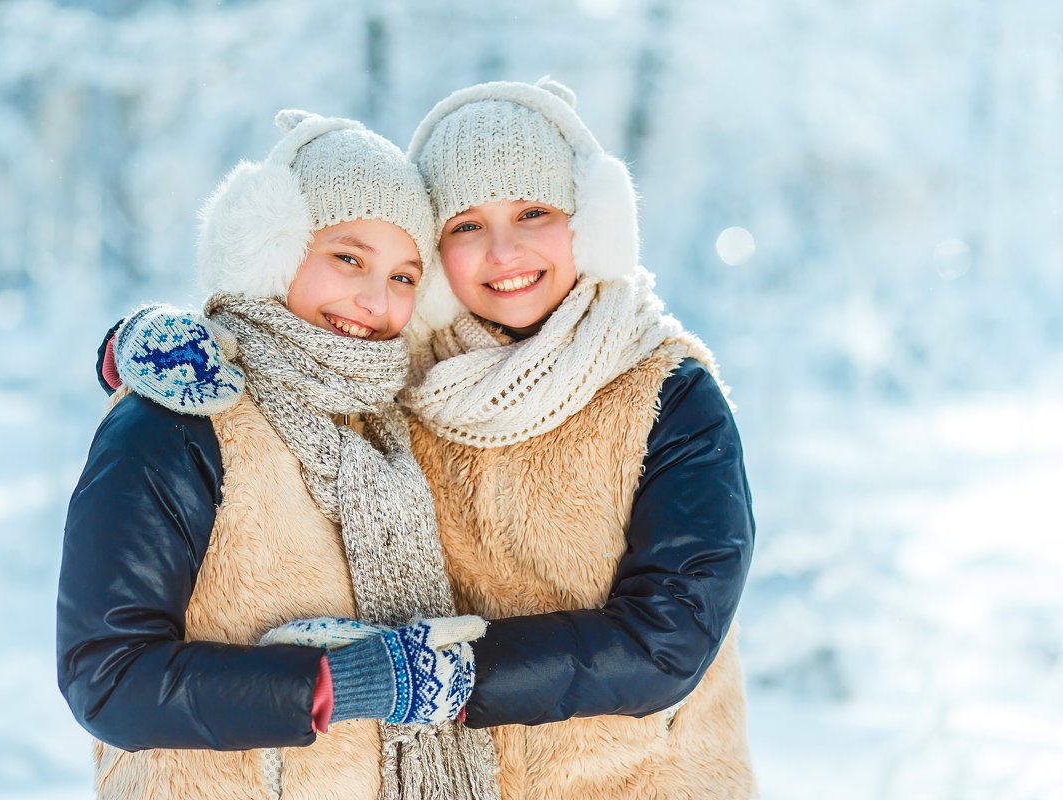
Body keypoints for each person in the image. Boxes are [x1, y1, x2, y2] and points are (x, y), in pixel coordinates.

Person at [101, 78, 757, 799]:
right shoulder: (402, 384)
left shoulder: (666, 388)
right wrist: (138, 347)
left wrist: (455, 674)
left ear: (588, 221)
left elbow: (671, 634)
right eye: (465, 226)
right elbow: (283, 359)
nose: (503, 251)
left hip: (643, 782)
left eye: (533, 211)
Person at [57, 110, 501, 800]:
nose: (374, 299)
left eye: (406, 277)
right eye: (347, 258)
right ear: (274, 248)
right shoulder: (178, 417)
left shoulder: (385, 430)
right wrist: (340, 685)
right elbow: (107, 678)